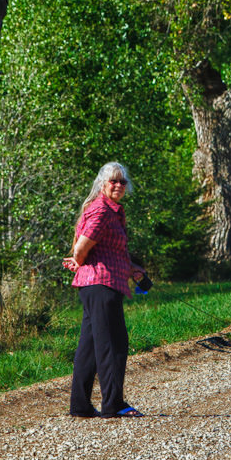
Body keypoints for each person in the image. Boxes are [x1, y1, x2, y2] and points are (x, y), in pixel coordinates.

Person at [62, 162, 145, 418]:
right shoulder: (103, 211)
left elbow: (106, 250)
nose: (119, 185)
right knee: (114, 344)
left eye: (123, 182)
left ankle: (80, 406)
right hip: (102, 284)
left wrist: (132, 268)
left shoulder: (109, 210)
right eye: (113, 181)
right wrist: (79, 257)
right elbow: (80, 248)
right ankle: (113, 404)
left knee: (89, 347)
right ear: (103, 184)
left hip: (96, 284)